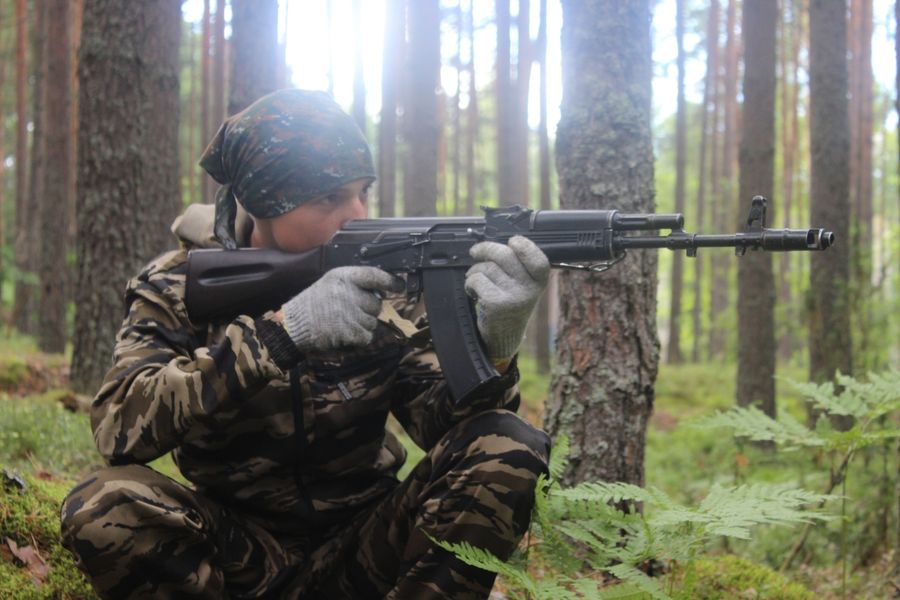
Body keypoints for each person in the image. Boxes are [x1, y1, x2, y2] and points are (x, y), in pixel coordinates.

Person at [60, 89, 551, 599]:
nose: (357, 214)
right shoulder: (177, 286)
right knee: (103, 504)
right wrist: (278, 337)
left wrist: (495, 344)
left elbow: (450, 428)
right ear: (262, 203)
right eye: (328, 198)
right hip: (236, 551)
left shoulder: (386, 280)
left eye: (363, 192)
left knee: (508, 443)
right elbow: (118, 427)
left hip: (367, 547)